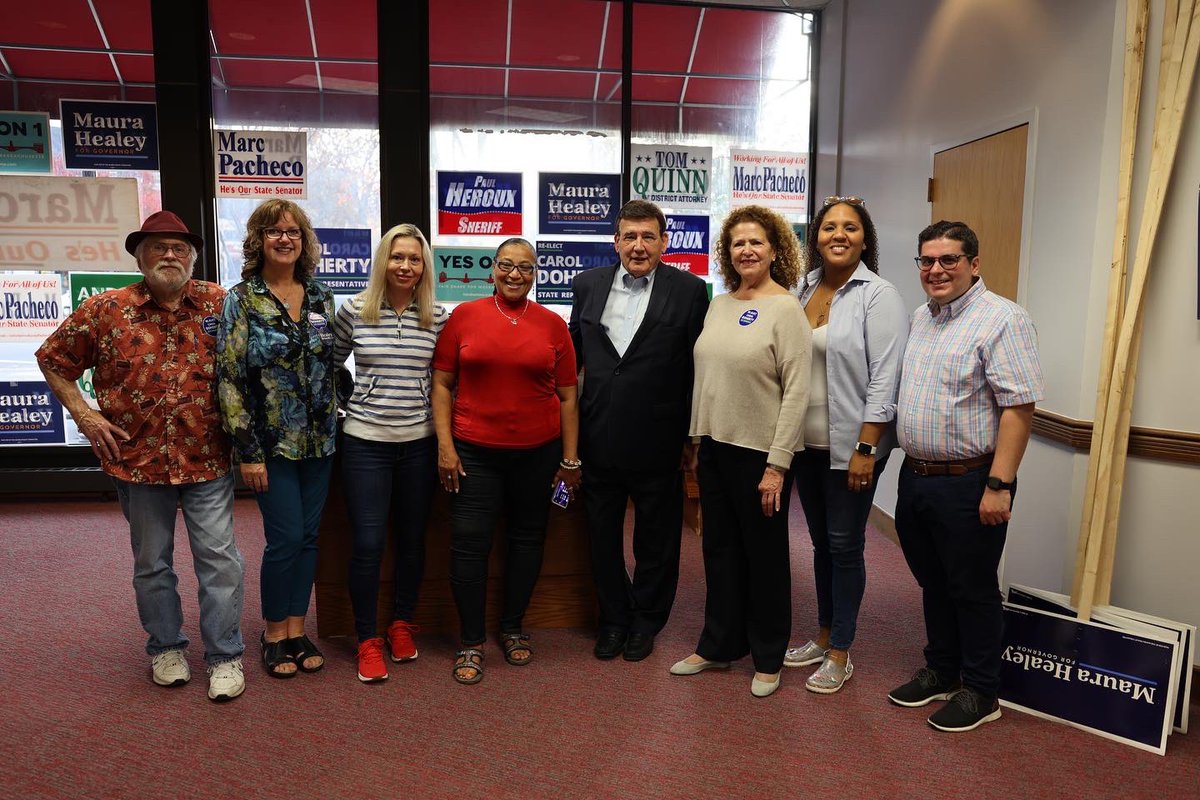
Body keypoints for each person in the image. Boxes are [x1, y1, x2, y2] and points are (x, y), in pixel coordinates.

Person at [36, 211, 246, 702]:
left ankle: (224, 656)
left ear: (193, 256)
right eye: (157, 247)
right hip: (138, 461)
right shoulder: (107, 309)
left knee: (220, 560)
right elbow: (53, 358)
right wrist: (84, 415)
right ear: (139, 256)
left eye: (178, 247)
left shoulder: (221, 303)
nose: (169, 255)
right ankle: (166, 647)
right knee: (152, 562)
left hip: (206, 456)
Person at [889, 220, 1043, 732]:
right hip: (916, 476)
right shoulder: (921, 318)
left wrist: (998, 486)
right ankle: (942, 670)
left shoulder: (1003, 319)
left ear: (973, 264)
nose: (936, 270)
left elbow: (1018, 409)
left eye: (948, 259)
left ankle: (981, 690)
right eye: (927, 261)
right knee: (933, 583)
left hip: (972, 481)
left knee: (972, 588)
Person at [671, 205, 811, 698]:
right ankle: (718, 644)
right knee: (719, 551)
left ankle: (769, 653)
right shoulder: (719, 304)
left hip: (760, 455)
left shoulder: (786, 309)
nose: (746, 250)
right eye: (737, 244)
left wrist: (778, 465)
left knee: (765, 556)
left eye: (756, 242)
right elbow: (706, 378)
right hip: (714, 446)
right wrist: (694, 440)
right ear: (727, 254)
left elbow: (797, 392)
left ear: (776, 249)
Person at [431, 237, 581, 685]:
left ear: (536, 274)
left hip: (538, 455)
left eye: (526, 268)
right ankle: (472, 641)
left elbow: (568, 398)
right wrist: (445, 446)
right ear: (491, 269)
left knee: (528, 541)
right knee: (468, 544)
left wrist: (570, 461)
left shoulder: (554, 325)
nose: (516, 274)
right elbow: (441, 385)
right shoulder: (464, 317)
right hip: (474, 454)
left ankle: (513, 627)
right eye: (507, 265)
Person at [569, 199, 709, 663]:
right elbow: (573, 361)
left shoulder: (689, 290)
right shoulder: (587, 285)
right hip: (598, 435)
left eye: (648, 236)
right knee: (601, 538)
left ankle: (646, 621)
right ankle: (613, 619)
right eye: (629, 236)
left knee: (657, 539)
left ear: (664, 242)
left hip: (659, 437)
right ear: (616, 242)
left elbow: (696, 367)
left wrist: (692, 437)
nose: (638, 245)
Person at [785, 197, 909, 693]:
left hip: (851, 448)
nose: (840, 235)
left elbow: (886, 377)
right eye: (830, 227)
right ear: (815, 236)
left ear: (864, 238)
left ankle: (841, 650)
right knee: (820, 545)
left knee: (844, 545)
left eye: (851, 227)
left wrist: (867, 446)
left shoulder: (879, 296)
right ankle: (821, 633)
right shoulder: (802, 288)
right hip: (805, 446)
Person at [216, 199, 337, 679]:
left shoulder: (322, 297)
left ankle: (296, 628)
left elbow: (329, 364)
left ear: (304, 241)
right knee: (283, 539)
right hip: (270, 446)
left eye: (293, 231)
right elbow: (228, 377)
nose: (284, 238)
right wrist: (247, 451)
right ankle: (271, 634)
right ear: (258, 241)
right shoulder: (243, 299)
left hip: (321, 442)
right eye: (273, 232)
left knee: (309, 539)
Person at [331, 224, 448, 683]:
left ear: (424, 267)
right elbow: (331, 362)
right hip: (365, 444)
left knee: (413, 540)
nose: (405, 266)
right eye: (397, 257)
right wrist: (347, 409)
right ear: (384, 261)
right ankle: (366, 638)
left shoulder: (437, 317)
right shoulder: (356, 310)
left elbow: (444, 382)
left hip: (419, 445)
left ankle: (401, 623)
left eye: (414, 259)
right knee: (368, 543)